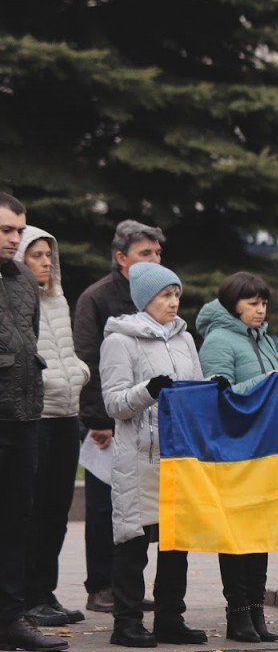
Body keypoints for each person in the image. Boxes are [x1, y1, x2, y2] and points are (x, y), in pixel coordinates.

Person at [99, 263, 208, 648]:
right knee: (133, 541)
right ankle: (126, 623)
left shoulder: (185, 339)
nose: (174, 302)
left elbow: (193, 391)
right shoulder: (120, 340)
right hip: (138, 458)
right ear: (146, 299)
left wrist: (214, 387)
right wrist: (149, 389)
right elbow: (113, 403)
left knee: (176, 542)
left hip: (177, 454)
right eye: (165, 295)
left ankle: (169, 619)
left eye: (176, 294)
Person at [74, 219, 164, 615]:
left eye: (158, 254)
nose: (154, 260)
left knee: (140, 507)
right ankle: (101, 586)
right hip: (108, 423)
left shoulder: (157, 296)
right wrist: (97, 420)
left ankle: (126, 586)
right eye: (145, 254)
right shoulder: (97, 298)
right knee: (103, 506)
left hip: (150, 423)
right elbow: (87, 360)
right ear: (121, 258)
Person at [196, 272, 278, 643]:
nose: (260, 310)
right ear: (234, 304)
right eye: (252, 303)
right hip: (235, 450)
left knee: (260, 533)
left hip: (264, 448)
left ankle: (256, 609)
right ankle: (237, 614)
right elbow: (218, 396)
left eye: (263, 303)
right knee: (237, 535)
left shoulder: (264, 341)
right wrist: (267, 383)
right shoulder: (218, 340)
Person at [15, 225, 90, 630]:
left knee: (57, 512)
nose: (46, 262)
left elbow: (69, 350)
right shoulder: (15, 299)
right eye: (36, 255)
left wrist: (77, 373)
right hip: (36, 415)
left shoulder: (58, 299)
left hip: (66, 414)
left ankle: (45, 591)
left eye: (48, 255)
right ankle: (25, 595)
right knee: (31, 509)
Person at [0, 197, 59, 652]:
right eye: (5, 230)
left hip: (23, 415)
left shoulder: (21, 279)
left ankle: (10, 618)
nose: (15, 239)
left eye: (18, 230)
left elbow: (30, 343)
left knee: (17, 520)